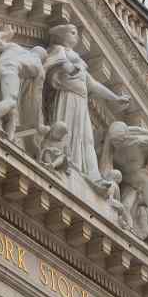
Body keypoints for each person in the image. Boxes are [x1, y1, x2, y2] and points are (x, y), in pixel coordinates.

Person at [43, 24, 129, 181]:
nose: (76, 36)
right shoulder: (59, 50)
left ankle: (92, 175)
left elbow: (94, 85)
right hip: (67, 97)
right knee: (67, 130)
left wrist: (116, 98)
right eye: (72, 32)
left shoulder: (80, 64)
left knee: (87, 138)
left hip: (81, 102)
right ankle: (65, 160)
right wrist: (68, 67)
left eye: (76, 33)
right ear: (62, 36)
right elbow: (52, 63)